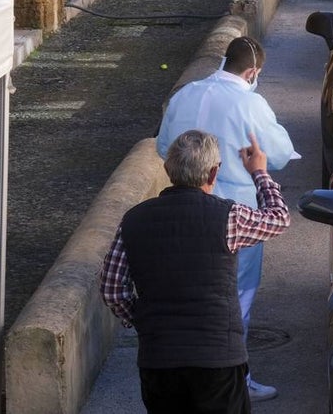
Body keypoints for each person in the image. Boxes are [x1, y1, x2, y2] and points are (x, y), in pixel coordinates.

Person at [101, 130, 291, 414]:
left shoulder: (133, 220)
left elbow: (112, 290)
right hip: (218, 359)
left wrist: (144, 321)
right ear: (213, 173)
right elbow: (279, 218)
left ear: (168, 169)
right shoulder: (229, 217)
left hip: (159, 360)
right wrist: (259, 173)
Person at [155, 36, 300, 403]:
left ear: (224, 60)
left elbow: (163, 146)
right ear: (252, 72)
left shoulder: (185, 94)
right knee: (235, 298)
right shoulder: (250, 103)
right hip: (233, 211)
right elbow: (278, 154)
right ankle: (236, 377)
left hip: (180, 206)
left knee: (184, 291)